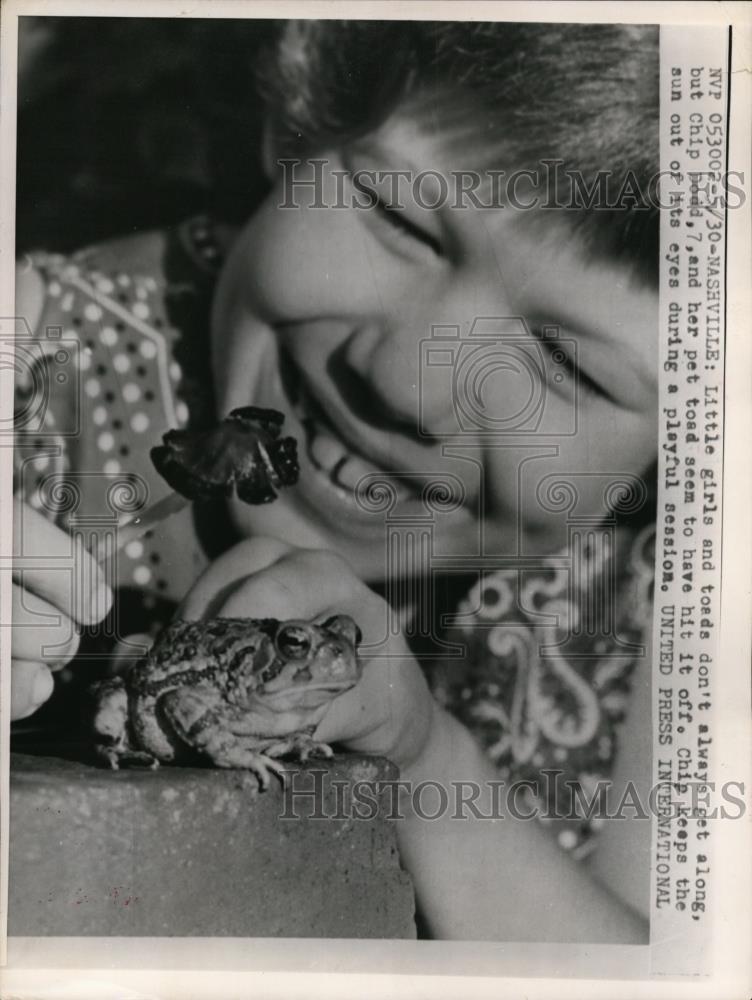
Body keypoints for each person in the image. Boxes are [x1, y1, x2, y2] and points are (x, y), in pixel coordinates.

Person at [11, 20, 658, 941]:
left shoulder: (650, 603)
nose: (407, 381)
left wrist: (426, 753)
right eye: (399, 219)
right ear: (298, 130)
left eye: (569, 364)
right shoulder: (24, 370)